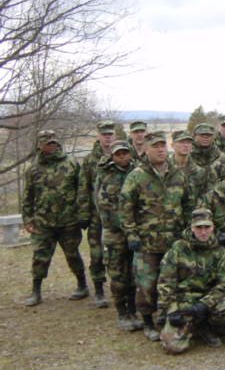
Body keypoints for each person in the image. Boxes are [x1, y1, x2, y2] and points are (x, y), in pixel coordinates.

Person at [120, 131, 193, 341]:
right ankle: (148, 322)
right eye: (156, 146)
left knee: (172, 281)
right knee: (146, 284)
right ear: (147, 149)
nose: (161, 150)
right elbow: (125, 207)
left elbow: (187, 204)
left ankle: (168, 318)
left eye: (163, 146)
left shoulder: (178, 174)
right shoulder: (137, 175)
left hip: (174, 241)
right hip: (146, 242)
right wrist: (131, 234)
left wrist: (187, 231)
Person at [156, 208, 225, 354]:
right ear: (191, 228)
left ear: (213, 227)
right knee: (173, 347)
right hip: (183, 301)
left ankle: (207, 327)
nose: (203, 232)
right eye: (199, 227)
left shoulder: (220, 251)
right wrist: (169, 309)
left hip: (207, 301)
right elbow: (165, 282)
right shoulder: (178, 248)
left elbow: (224, 284)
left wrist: (204, 304)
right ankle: (191, 326)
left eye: (207, 227)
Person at [22, 130, 88, 305]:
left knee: (73, 255)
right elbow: (28, 196)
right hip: (43, 222)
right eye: (47, 143)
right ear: (40, 145)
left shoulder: (71, 164)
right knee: (40, 257)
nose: (51, 145)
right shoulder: (33, 168)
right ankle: (36, 291)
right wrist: (28, 220)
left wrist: (83, 214)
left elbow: (82, 191)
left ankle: (82, 285)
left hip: (69, 221)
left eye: (53, 142)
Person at [94, 141, 143, 331]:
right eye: (118, 154)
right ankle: (121, 312)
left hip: (135, 233)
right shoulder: (106, 175)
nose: (122, 157)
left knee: (133, 274)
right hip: (115, 233)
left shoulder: (137, 172)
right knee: (117, 275)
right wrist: (124, 225)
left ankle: (132, 310)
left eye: (125, 153)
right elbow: (103, 206)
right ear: (112, 156)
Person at [78, 120, 116, 307]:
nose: (108, 137)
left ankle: (123, 290)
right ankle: (99, 290)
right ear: (98, 136)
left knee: (120, 255)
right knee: (97, 254)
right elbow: (83, 188)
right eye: (104, 134)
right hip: (96, 216)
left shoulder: (124, 155)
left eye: (110, 134)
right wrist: (83, 213)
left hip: (118, 217)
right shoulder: (90, 160)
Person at [170, 130, 207, 197]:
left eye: (189, 142)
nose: (186, 145)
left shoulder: (199, 171)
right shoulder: (164, 169)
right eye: (181, 142)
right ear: (172, 145)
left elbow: (204, 196)